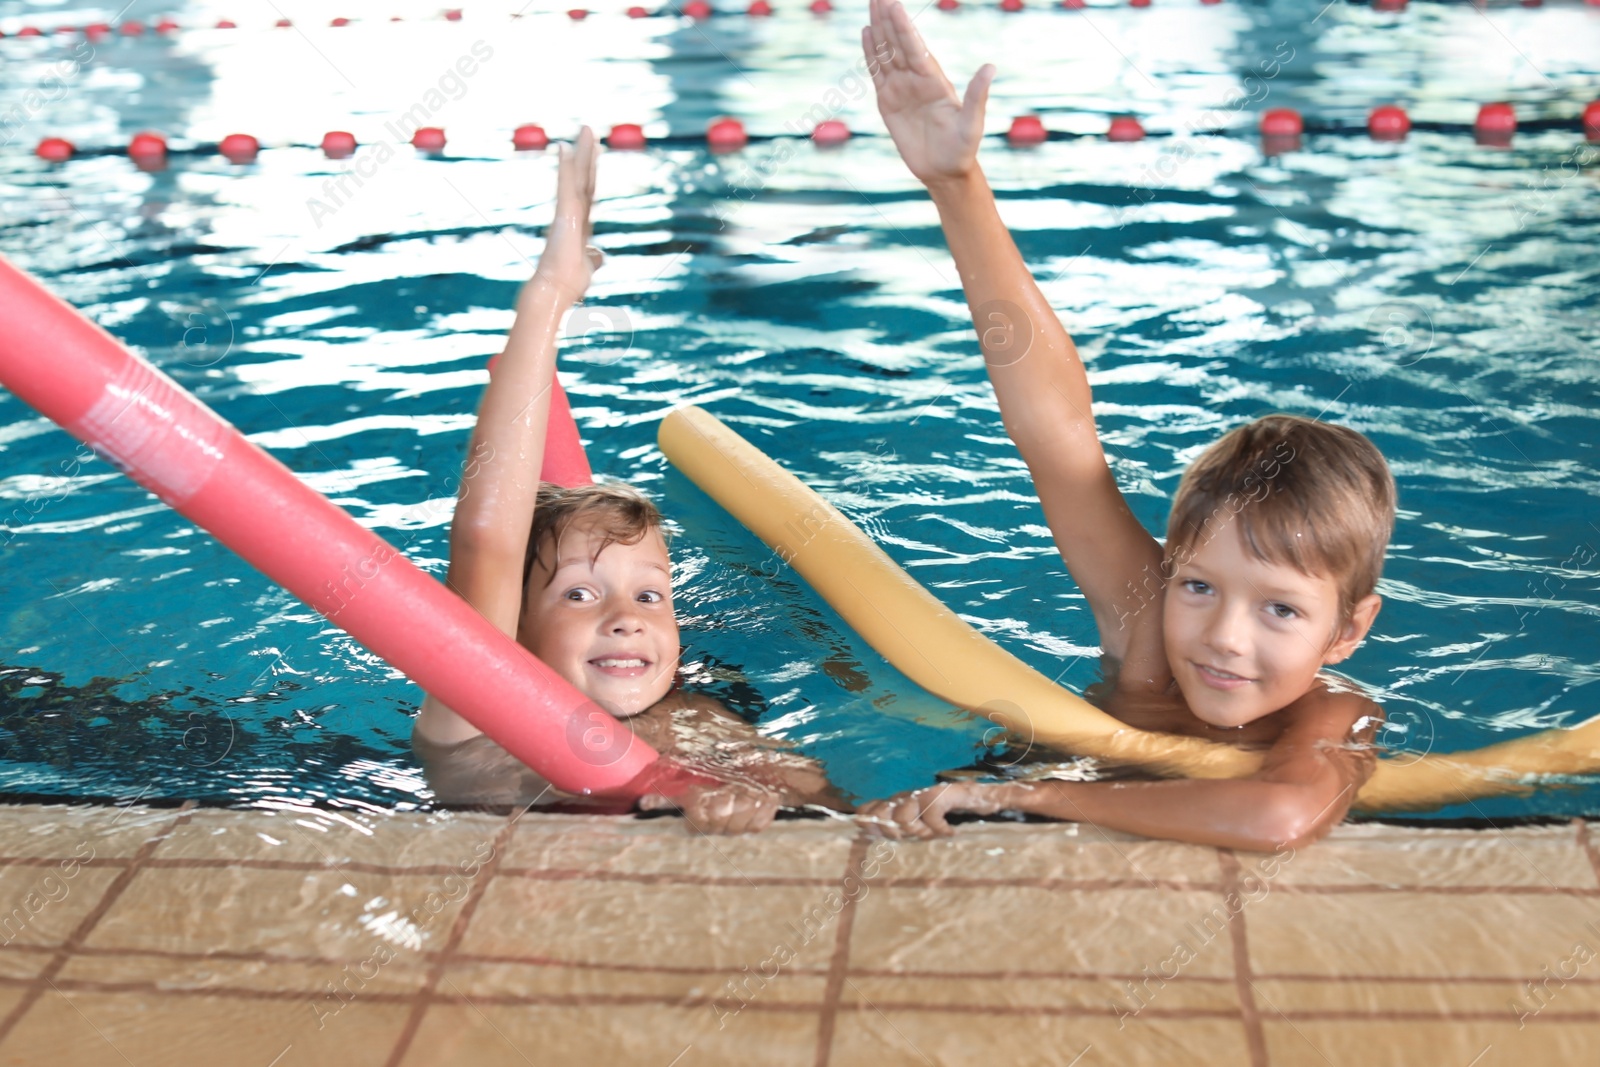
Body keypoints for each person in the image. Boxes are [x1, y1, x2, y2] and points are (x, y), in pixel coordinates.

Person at [854, 0, 1395, 851]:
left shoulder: (1336, 711)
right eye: (1198, 586)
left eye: (1282, 611)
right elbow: (1058, 435)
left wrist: (1035, 799)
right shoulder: (1146, 627)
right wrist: (955, 185)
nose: (1223, 636)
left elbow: (1279, 814)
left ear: (1349, 629)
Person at [412, 127, 843, 833]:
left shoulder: (692, 718)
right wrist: (549, 299)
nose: (627, 617)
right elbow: (487, 541)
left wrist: (766, 801)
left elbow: (825, 803)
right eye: (578, 592)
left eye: (650, 593)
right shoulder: (478, 713)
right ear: (513, 627)